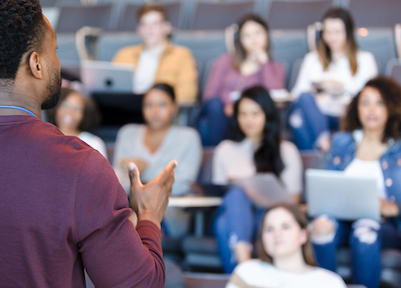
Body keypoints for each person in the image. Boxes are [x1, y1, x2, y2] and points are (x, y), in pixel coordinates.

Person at [0, 0, 177, 287]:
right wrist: (148, 216)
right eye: (54, 50)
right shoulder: (79, 166)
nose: (58, 62)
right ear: (36, 64)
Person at [310, 76, 401, 288]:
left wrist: (396, 209)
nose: (371, 109)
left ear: (392, 108)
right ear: (356, 108)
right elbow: (318, 185)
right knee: (321, 227)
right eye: (365, 102)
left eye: (380, 103)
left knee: (364, 231)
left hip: (383, 225)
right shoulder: (340, 142)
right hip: (338, 219)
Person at [213, 86, 303, 272]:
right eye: (243, 114)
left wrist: (257, 193)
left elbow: (294, 200)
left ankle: (242, 277)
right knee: (235, 196)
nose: (248, 120)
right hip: (235, 211)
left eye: (255, 114)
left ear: (267, 115)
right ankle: (245, 268)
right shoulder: (225, 149)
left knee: (224, 224)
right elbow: (218, 192)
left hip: (267, 216)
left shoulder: (286, 150)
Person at [113, 83, 202, 237]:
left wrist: (144, 169)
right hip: (127, 207)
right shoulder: (128, 133)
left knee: (131, 223)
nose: (155, 111)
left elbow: (182, 183)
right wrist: (158, 176)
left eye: (162, 105)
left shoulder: (189, 137)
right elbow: (115, 180)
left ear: (174, 107)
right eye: (149, 105)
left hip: (169, 211)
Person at [289, 8, 378, 151]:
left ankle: (316, 161)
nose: (332, 37)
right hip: (319, 112)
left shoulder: (365, 59)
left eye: (337, 32)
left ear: (348, 33)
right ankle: (324, 143)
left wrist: (342, 90)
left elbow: (370, 94)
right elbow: (297, 94)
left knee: (297, 121)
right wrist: (316, 93)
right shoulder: (312, 59)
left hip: (347, 114)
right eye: (328, 32)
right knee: (303, 103)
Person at [199, 14, 285, 146]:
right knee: (213, 108)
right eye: (247, 35)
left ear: (266, 35)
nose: (253, 40)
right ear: (240, 40)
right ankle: (219, 154)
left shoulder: (275, 67)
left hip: (252, 117)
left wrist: (264, 64)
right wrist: (229, 106)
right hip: (223, 114)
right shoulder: (225, 61)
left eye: (258, 33)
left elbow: (276, 97)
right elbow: (209, 95)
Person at [226, 204, 347, 288]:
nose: (277, 234)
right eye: (269, 229)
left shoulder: (329, 283)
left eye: (285, 227)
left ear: (303, 235)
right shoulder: (247, 272)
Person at [112, 5, 198, 104]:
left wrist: (157, 102)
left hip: (159, 109)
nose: (150, 29)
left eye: (155, 24)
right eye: (144, 24)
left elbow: (188, 94)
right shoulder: (124, 54)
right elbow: (111, 87)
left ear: (167, 27)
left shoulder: (181, 55)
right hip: (125, 105)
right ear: (138, 29)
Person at [47, 87, 107, 158]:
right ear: (56, 108)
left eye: (77, 108)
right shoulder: (44, 138)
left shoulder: (93, 143)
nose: (69, 112)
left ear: (84, 114)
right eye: (64, 105)